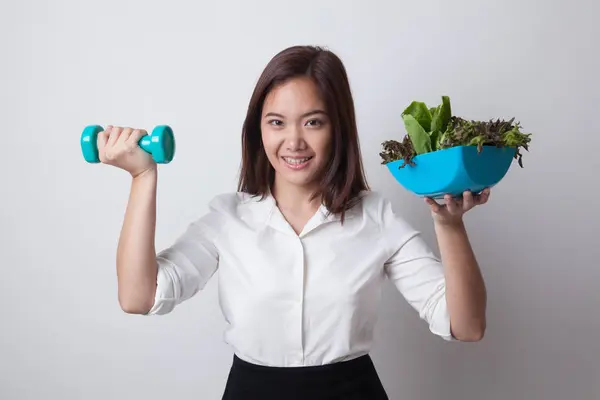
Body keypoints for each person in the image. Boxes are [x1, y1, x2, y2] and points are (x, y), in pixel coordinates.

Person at [97, 45, 488, 399]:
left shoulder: (375, 217)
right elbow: (138, 297)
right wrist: (142, 177)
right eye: (277, 122)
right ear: (258, 129)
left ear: (339, 129)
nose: (294, 142)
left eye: (313, 122)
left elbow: (466, 325)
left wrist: (449, 226)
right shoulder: (227, 219)